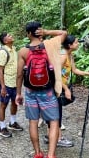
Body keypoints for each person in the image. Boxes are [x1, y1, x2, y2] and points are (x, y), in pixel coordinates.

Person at [16, 21, 67, 158]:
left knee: (33, 121)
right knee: (54, 121)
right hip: (48, 91)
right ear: (39, 32)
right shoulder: (49, 45)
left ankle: (38, 153)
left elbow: (20, 74)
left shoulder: (23, 51)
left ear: (28, 34)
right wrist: (47, 32)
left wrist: (18, 93)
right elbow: (64, 33)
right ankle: (51, 155)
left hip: (30, 91)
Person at [44, 34, 89, 147]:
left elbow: (74, 70)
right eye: (76, 42)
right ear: (70, 45)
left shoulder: (70, 55)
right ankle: (59, 138)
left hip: (60, 86)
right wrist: (66, 89)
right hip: (55, 87)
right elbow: (56, 75)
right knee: (57, 113)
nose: (78, 44)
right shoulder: (62, 56)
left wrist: (88, 74)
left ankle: (50, 136)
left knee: (55, 112)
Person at [0, 32, 23, 138]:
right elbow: (0, 70)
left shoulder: (14, 49)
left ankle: (12, 122)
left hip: (15, 83)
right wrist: (3, 86)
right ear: (5, 40)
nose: (11, 36)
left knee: (14, 103)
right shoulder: (3, 52)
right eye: (9, 36)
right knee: (3, 105)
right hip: (6, 83)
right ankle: (2, 127)